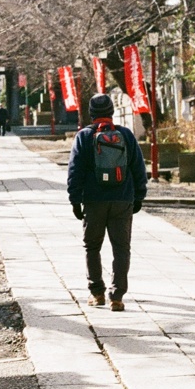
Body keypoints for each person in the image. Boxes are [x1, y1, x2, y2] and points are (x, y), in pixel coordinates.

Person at [67, 91, 147, 311]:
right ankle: (117, 296)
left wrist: (75, 200)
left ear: (91, 114)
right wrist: (139, 195)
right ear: (111, 112)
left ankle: (97, 293)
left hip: (94, 200)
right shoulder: (126, 135)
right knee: (121, 248)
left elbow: (75, 171)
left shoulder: (84, 136)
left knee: (92, 246)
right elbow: (138, 167)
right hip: (122, 200)